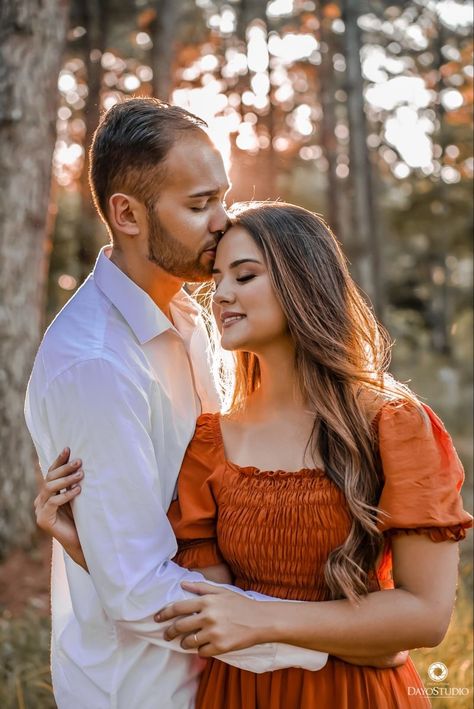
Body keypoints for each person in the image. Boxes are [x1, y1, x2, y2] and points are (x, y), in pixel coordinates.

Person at [37, 201, 472, 708]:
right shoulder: (210, 442)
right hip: (240, 692)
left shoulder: (392, 425)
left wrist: (264, 620)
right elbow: (206, 608)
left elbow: (427, 615)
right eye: (218, 278)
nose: (221, 294)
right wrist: (87, 547)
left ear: (303, 281)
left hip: (358, 695)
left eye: (245, 276)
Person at [24, 100, 330, 709]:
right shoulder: (97, 367)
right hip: (143, 688)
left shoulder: (193, 316)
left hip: (224, 678)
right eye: (199, 205)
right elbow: (139, 588)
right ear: (128, 214)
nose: (222, 222)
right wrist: (327, 636)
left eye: (222, 198)